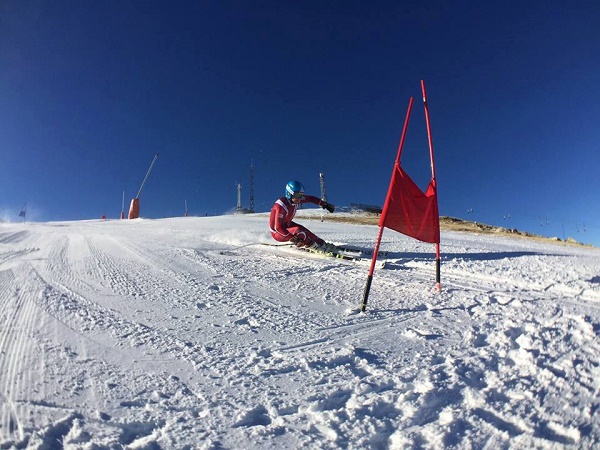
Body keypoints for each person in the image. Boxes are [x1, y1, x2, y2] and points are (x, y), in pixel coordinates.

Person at [269, 180, 337, 252]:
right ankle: (312, 246)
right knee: (300, 231)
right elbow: (278, 228)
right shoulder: (281, 206)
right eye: (298, 195)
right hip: (277, 232)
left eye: (301, 195)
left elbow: (311, 198)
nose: (300, 198)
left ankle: (322, 244)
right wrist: (294, 239)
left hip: (287, 225)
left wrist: (324, 204)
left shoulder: (295, 199)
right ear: (289, 193)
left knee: (306, 231)